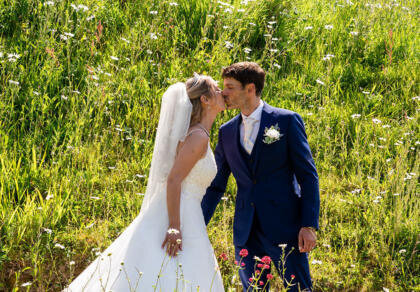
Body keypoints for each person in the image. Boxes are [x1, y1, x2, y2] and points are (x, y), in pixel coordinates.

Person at [64, 74, 226, 291]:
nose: (222, 92)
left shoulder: (199, 133)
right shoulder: (198, 137)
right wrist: (175, 226)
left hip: (190, 213)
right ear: (205, 100)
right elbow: (174, 179)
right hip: (182, 216)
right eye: (217, 89)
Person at [201, 62, 320, 292]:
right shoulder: (226, 131)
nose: (223, 93)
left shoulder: (286, 121)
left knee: (300, 289)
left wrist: (309, 225)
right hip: (246, 232)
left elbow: (308, 176)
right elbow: (216, 185)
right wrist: (197, 223)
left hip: (286, 227)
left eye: (230, 87)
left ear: (250, 89)